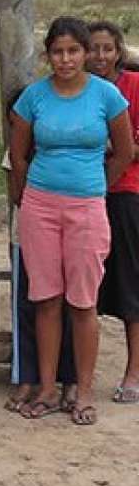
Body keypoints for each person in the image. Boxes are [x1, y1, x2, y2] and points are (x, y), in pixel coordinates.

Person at [10, 17, 134, 425]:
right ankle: (47, 388)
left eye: (73, 51)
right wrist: (26, 198)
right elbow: (19, 155)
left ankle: (83, 392)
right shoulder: (34, 96)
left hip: (87, 209)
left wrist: (96, 187)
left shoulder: (107, 96)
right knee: (46, 300)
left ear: (85, 53)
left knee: (83, 303)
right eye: (58, 52)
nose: (66, 60)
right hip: (41, 207)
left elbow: (124, 151)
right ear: (49, 55)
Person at [1, 107, 77, 414]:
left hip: (71, 230)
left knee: (74, 306)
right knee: (27, 306)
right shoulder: (18, 152)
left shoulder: (72, 147)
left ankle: (70, 379)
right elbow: (16, 194)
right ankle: (27, 378)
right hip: (29, 234)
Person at [86, 20, 139, 405]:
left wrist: (116, 152)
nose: (100, 56)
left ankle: (134, 371)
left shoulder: (133, 86)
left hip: (125, 193)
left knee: (130, 283)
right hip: (80, 194)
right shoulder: (76, 88)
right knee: (82, 289)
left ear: (119, 52)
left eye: (107, 48)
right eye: (92, 48)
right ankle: (77, 374)